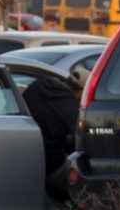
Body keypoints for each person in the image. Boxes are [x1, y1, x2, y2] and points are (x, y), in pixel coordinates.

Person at [22, 69, 88, 201]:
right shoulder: (69, 103)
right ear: (80, 92)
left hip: (25, 156)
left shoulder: (37, 85)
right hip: (51, 164)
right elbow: (81, 137)